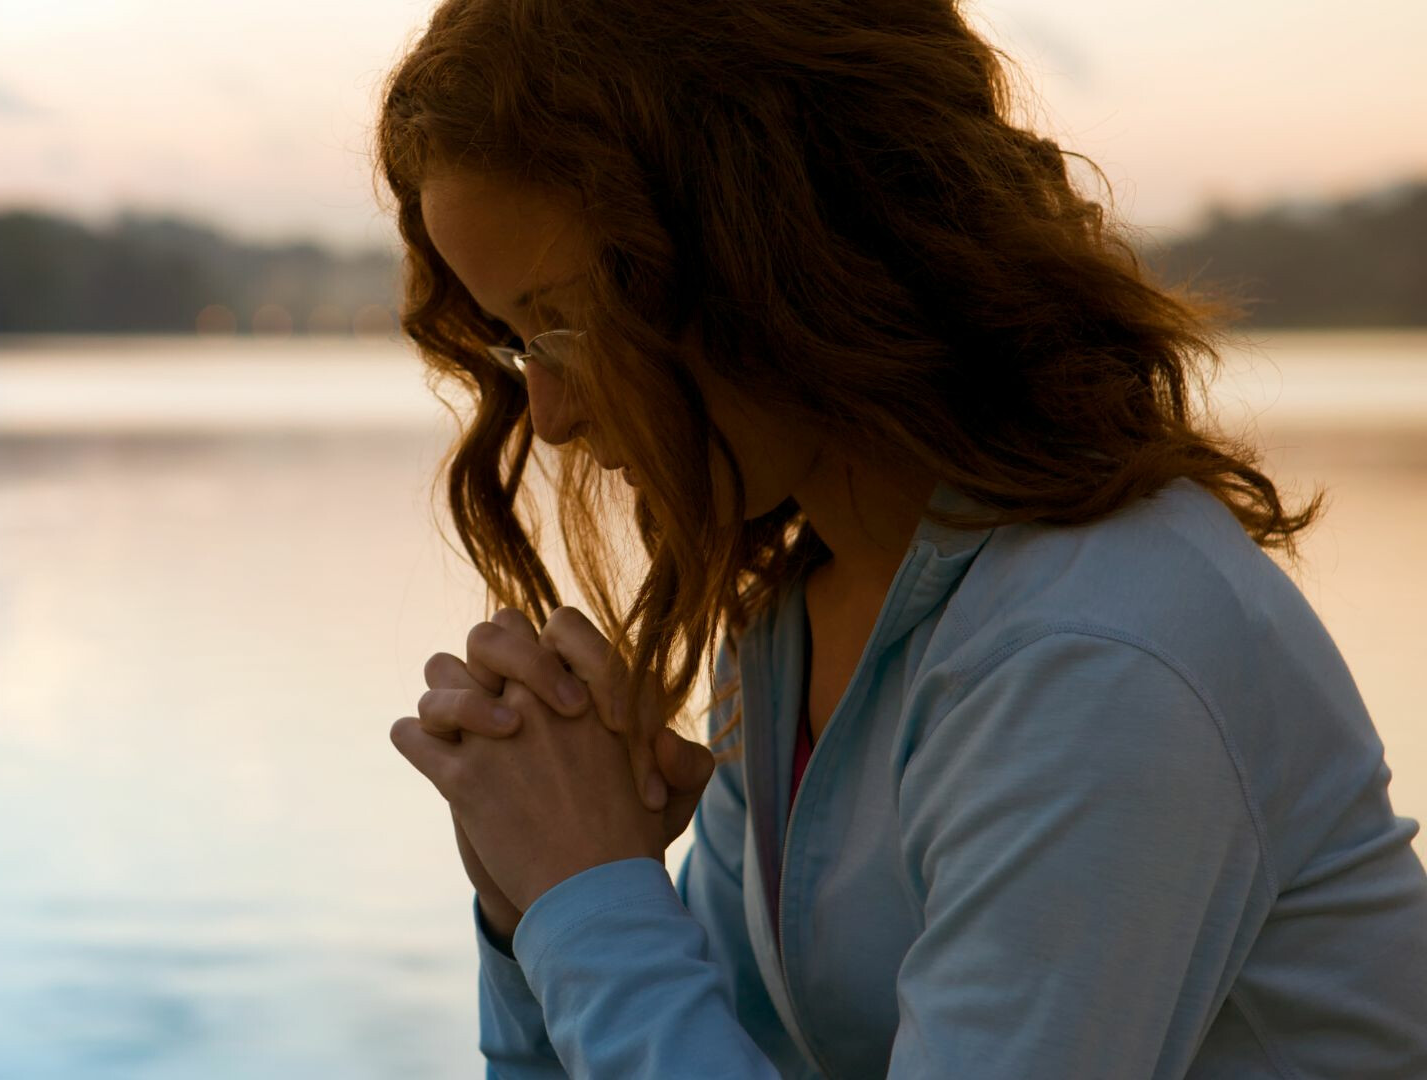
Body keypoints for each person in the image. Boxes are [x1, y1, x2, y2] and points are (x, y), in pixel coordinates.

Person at [376, 0, 1427, 1076]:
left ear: (772, 249)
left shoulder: (1095, 650)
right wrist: (529, 908)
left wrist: (588, 898)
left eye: (565, 321)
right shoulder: (794, 630)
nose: (546, 414)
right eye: (515, 343)